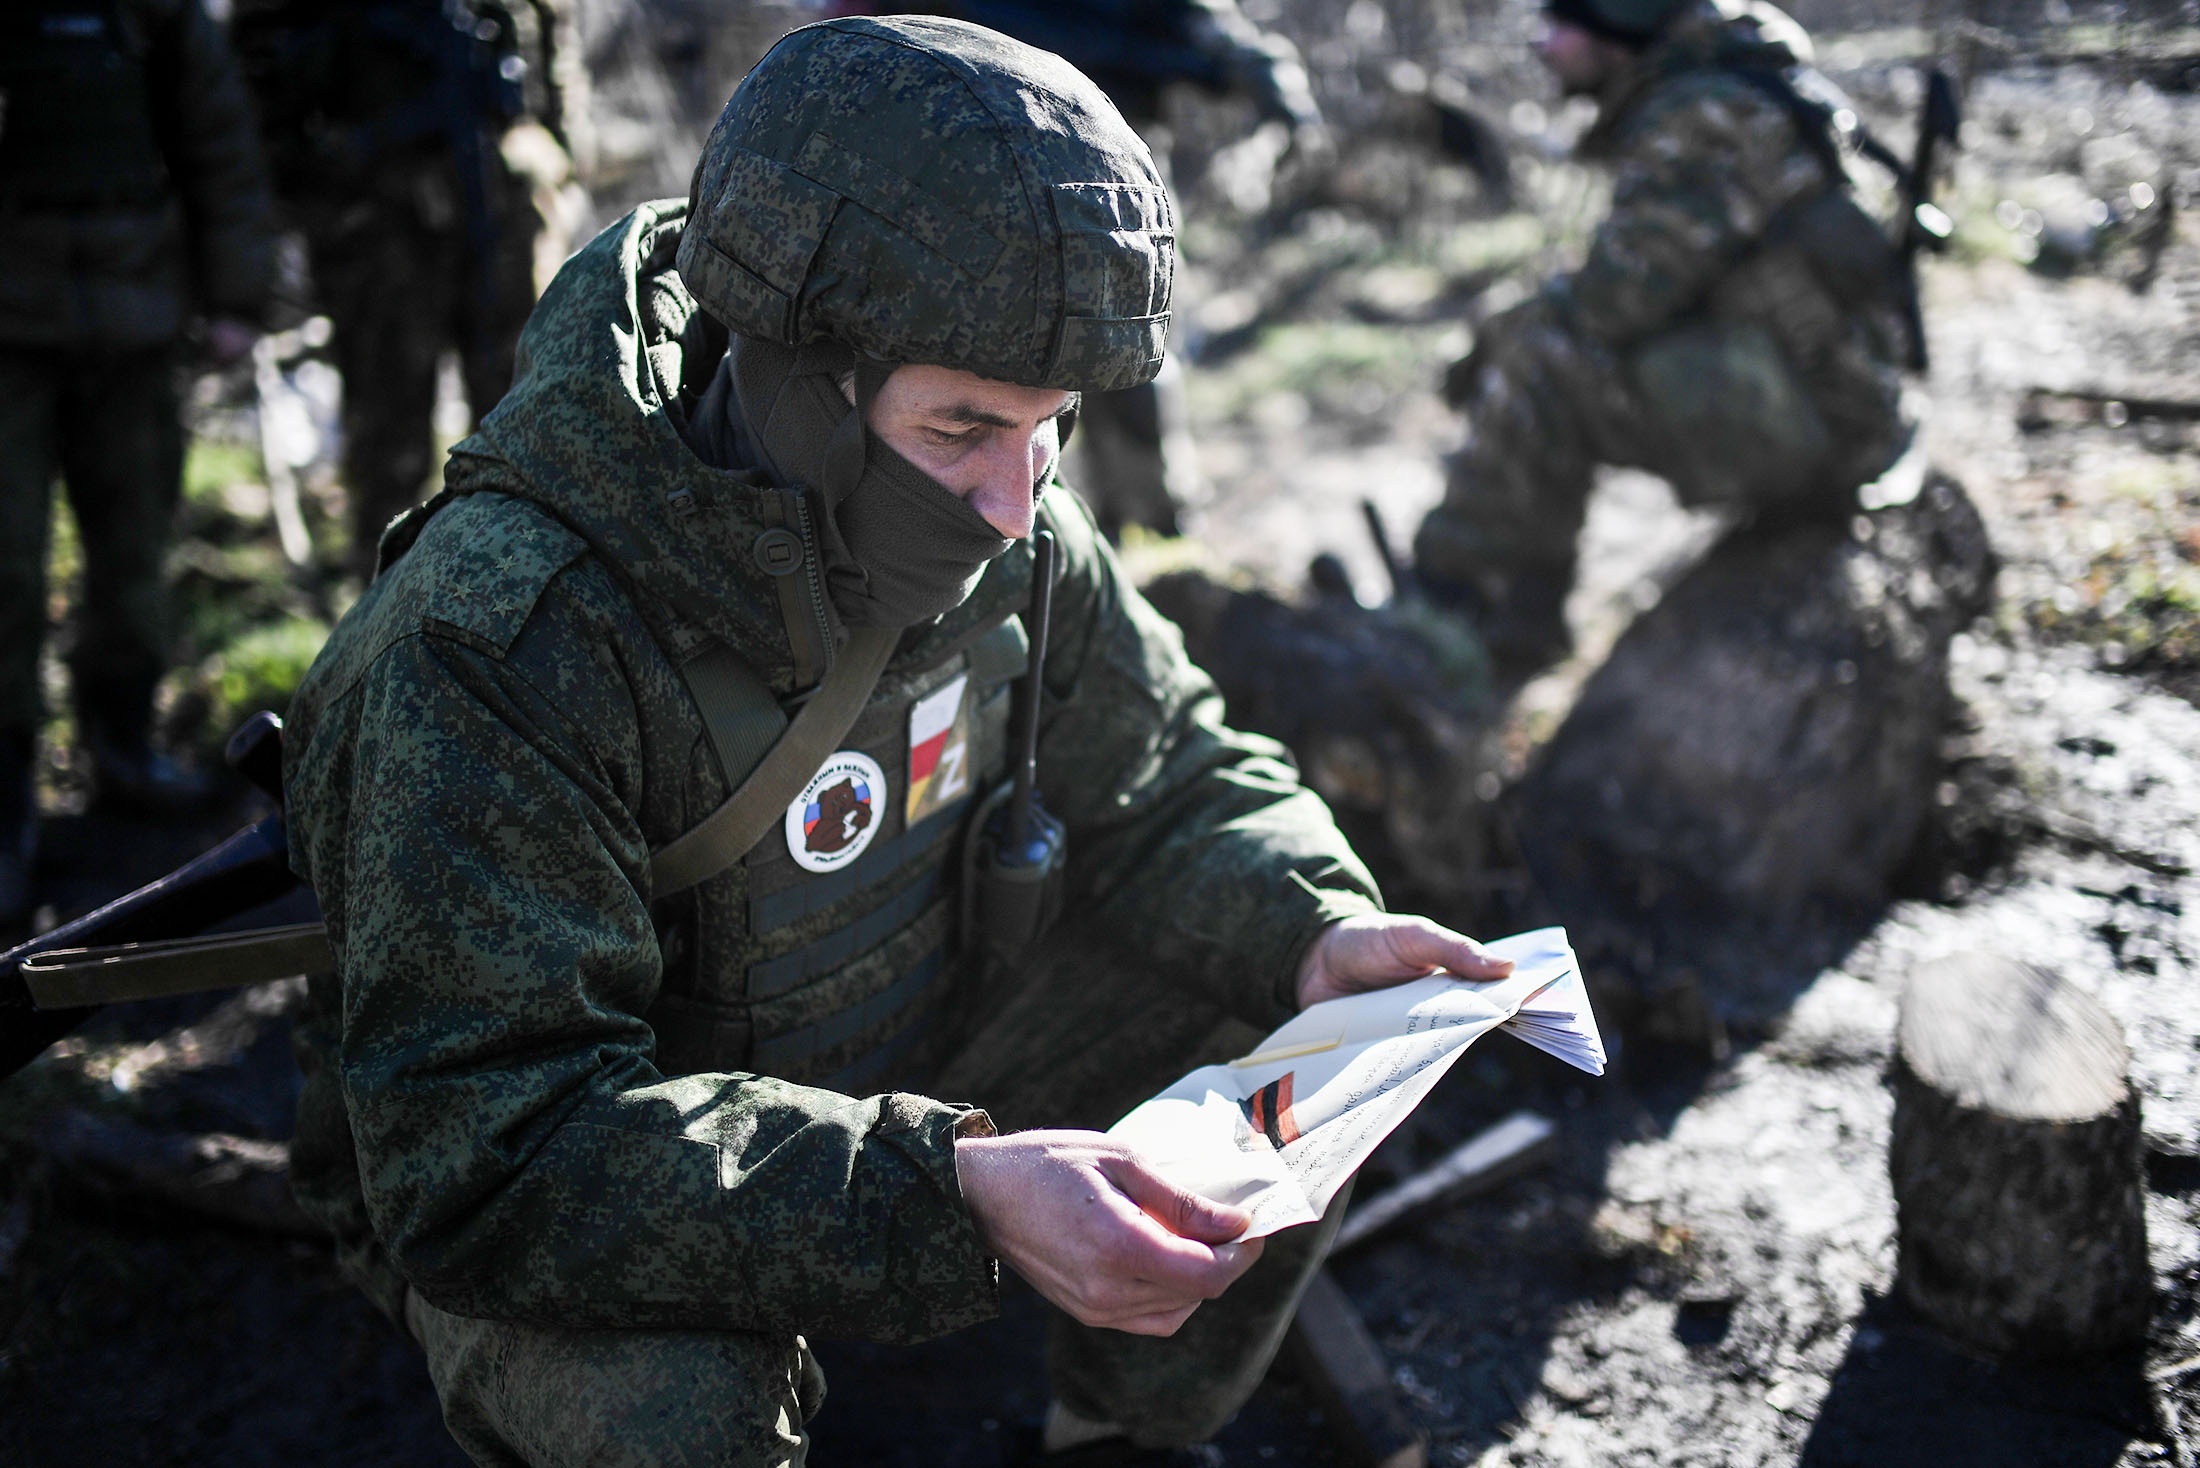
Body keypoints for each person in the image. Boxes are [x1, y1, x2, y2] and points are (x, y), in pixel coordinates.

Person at [282, 16, 1511, 1466]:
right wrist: (953, 1191)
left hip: (912, 1060)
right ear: (798, 379)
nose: (1015, 499)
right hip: (582, 1167)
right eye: (960, 431)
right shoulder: (503, 640)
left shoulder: (1015, 520)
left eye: (1051, 431)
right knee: (669, 1417)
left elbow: (1172, 771)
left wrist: (1314, 930)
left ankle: (1119, 1438)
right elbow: (489, 1153)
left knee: (1309, 1048)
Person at [1411, 0, 1916, 675]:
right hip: (1827, 403)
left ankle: (1454, 610)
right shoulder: (1730, 86)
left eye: (1562, 25)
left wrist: (1496, 334)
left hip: (1824, 432)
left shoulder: (1704, 114)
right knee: (1541, 340)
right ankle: (1512, 614)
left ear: (1619, 34)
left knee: (1543, 359)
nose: (1542, 44)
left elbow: (1617, 298)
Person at [830, 0, 1326, 541]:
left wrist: (1270, 81)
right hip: (971, 162)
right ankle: (1040, 527)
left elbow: (1206, 29)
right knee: (995, 368)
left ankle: (1143, 522)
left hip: (1106, 162)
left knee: (1129, 352)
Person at [0, 0, 277, 930]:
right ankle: (6, 803)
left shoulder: (152, 14)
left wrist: (238, 292)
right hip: (10, 322)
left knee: (133, 553)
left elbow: (217, 134)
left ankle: (123, 749)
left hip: (136, 307)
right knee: (3, 565)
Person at [229, 0, 575, 580]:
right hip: (379, 225)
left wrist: (553, 153)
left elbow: (544, 30)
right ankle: (389, 630)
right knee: (392, 453)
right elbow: (251, 84)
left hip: (499, 201)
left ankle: (531, 612)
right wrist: (324, 191)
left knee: (526, 428)